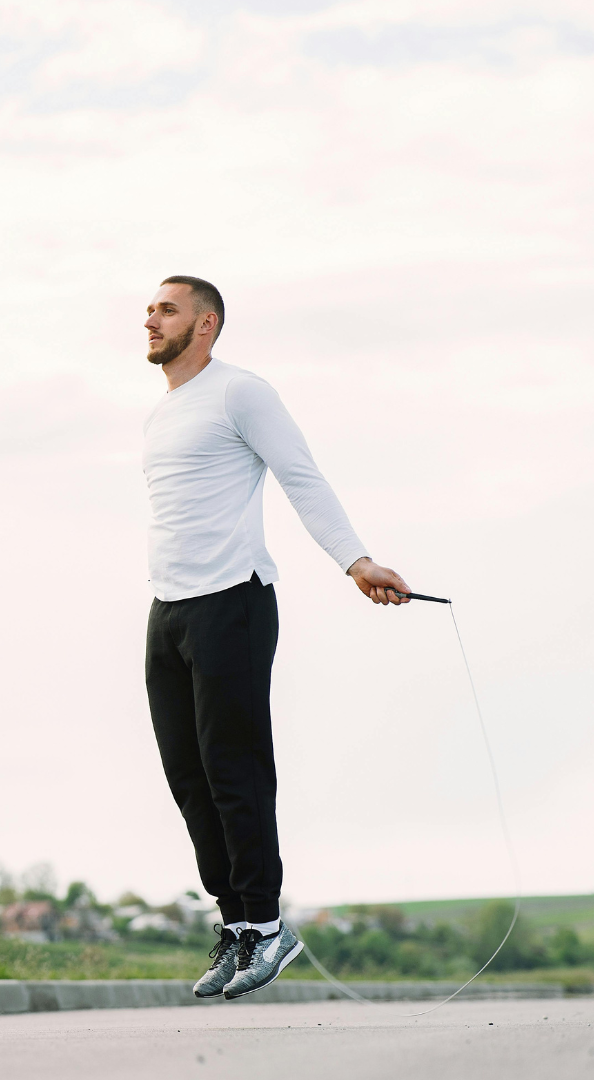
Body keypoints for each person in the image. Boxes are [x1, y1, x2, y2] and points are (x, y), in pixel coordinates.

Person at [142, 275, 410, 1000]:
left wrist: (355, 561)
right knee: (188, 778)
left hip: (234, 599)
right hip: (169, 611)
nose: (150, 318)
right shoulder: (161, 414)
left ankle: (267, 924)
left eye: (166, 308)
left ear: (206, 323)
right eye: (150, 309)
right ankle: (236, 924)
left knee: (235, 771)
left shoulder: (241, 393)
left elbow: (301, 476)